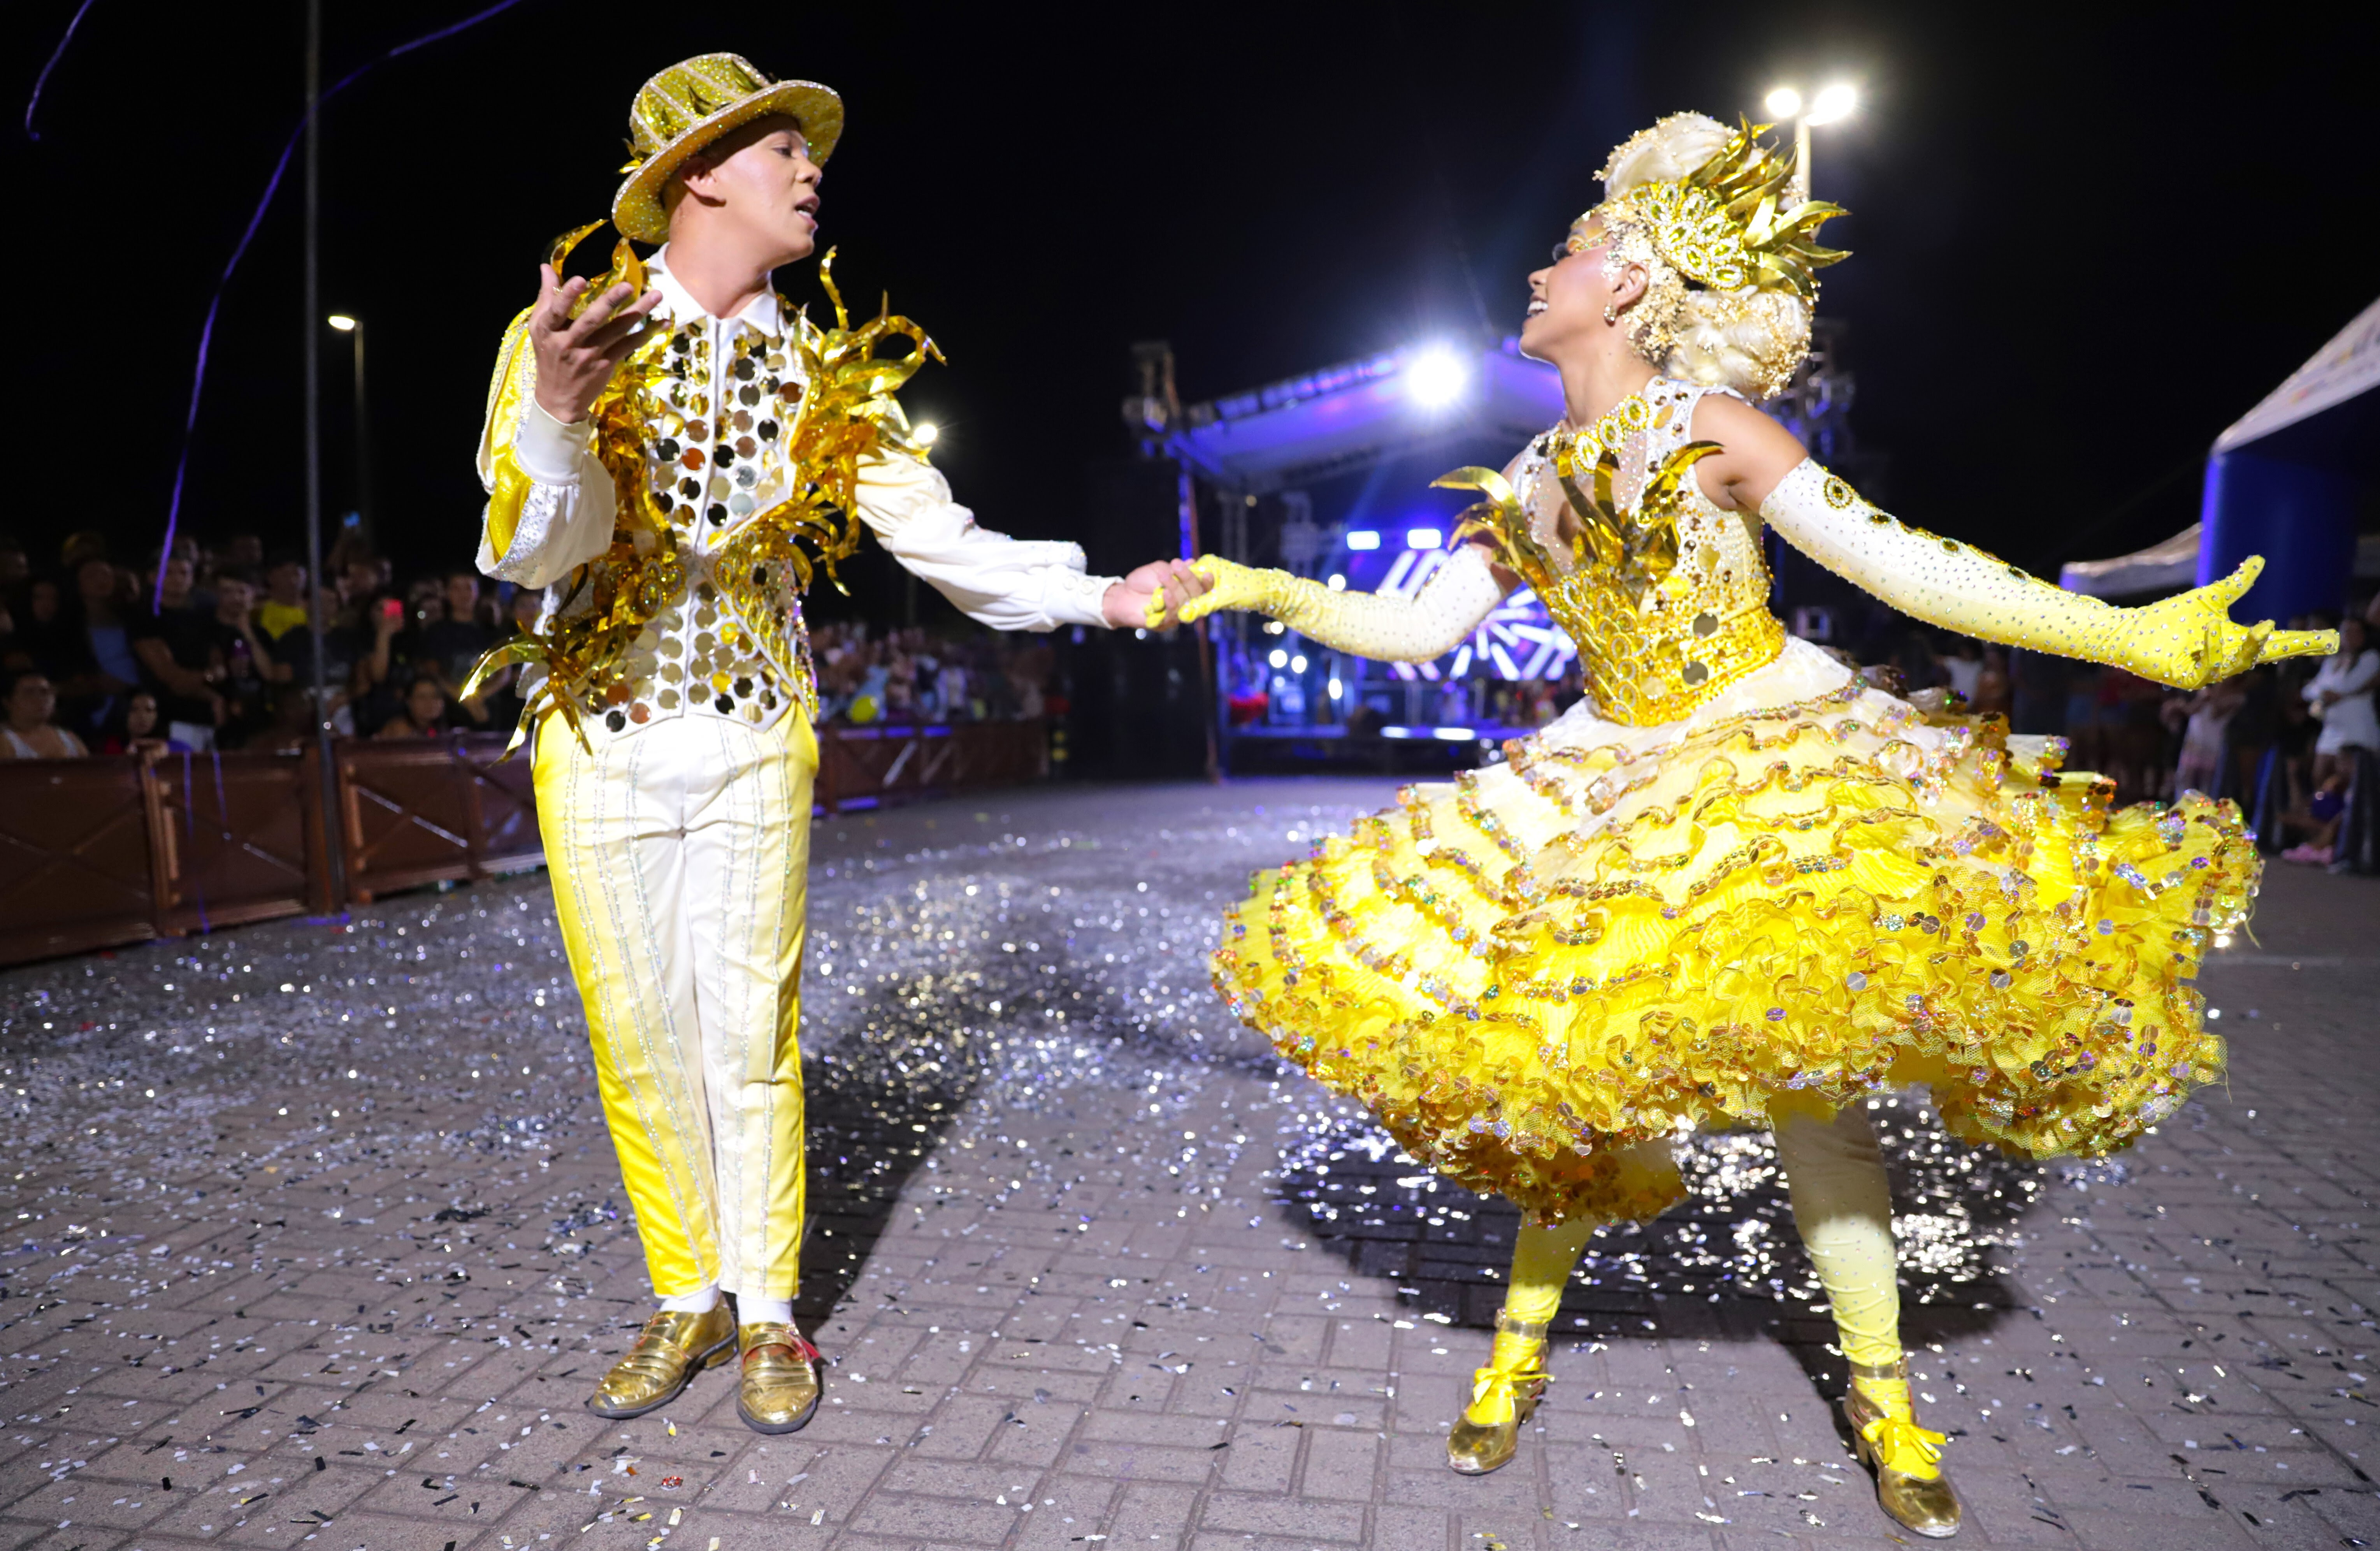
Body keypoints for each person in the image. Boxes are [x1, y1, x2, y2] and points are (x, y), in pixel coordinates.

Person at [1160, 112, 2332, 1538]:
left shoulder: (1712, 428)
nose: (1537, 271)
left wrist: (2127, 637)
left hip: (1772, 772)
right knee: (1567, 1074)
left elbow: (1904, 568)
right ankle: (1514, 1357)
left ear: (1628, 284)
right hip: (1606, 781)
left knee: (1813, 1097)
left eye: (1566, 250)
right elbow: (1410, 631)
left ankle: (1885, 1400)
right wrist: (1253, 587)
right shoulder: (1522, 481)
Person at [471, 53, 1193, 1436]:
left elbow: (941, 540)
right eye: (780, 149)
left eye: (810, 152)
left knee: (750, 1036)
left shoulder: (823, 370)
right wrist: (558, 411)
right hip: (601, 739)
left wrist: (1101, 595)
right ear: (697, 177)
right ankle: (682, 1293)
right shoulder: (567, 335)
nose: (811, 171)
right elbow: (529, 554)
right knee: (640, 1040)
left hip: (754, 731)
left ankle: (767, 1307)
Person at [2304, 615, 2377, 786]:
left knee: (2354, 783)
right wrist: (2325, 694)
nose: (2349, 636)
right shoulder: (2331, 662)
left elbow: (2351, 684)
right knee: (2319, 778)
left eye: (2355, 632)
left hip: (2358, 730)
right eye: (2346, 632)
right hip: (2331, 730)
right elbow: (2309, 691)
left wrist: (2332, 692)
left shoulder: (2371, 658)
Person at [0, 671, 89, 758]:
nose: (39, 699)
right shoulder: (4, 740)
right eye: (29, 693)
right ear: (7, 702)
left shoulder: (69, 739)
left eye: (45, 692)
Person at [375, 675, 451, 739]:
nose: (430, 702)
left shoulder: (445, 730)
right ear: (409, 702)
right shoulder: (399, 731)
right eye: (422, 697)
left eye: (435, 696)